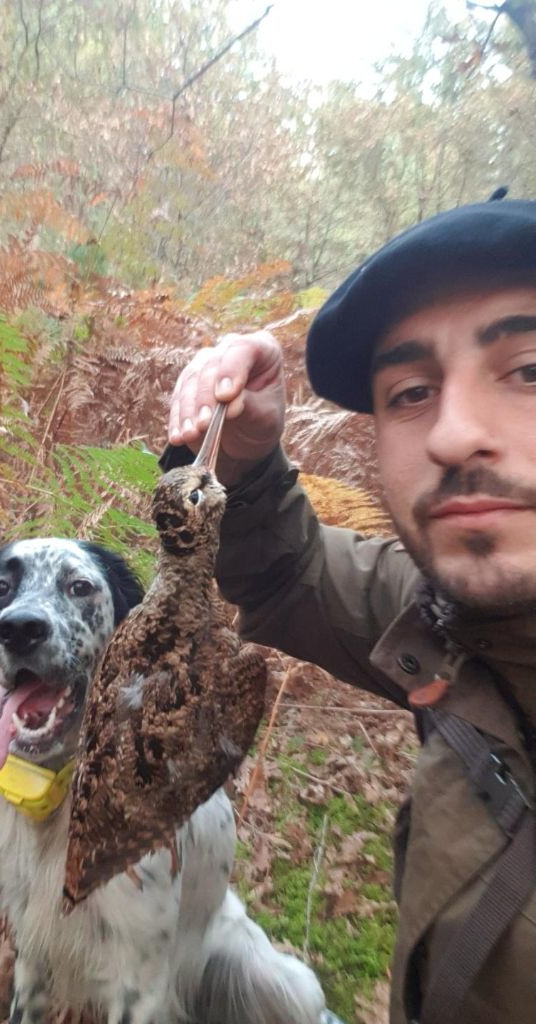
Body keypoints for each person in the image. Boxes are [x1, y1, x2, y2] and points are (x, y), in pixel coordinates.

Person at [165, 195, 536, 1024]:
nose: (452, 433)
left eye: (528, 370)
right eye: (410, 392)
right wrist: (249, 462)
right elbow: (291, 574)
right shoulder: (451, 626)